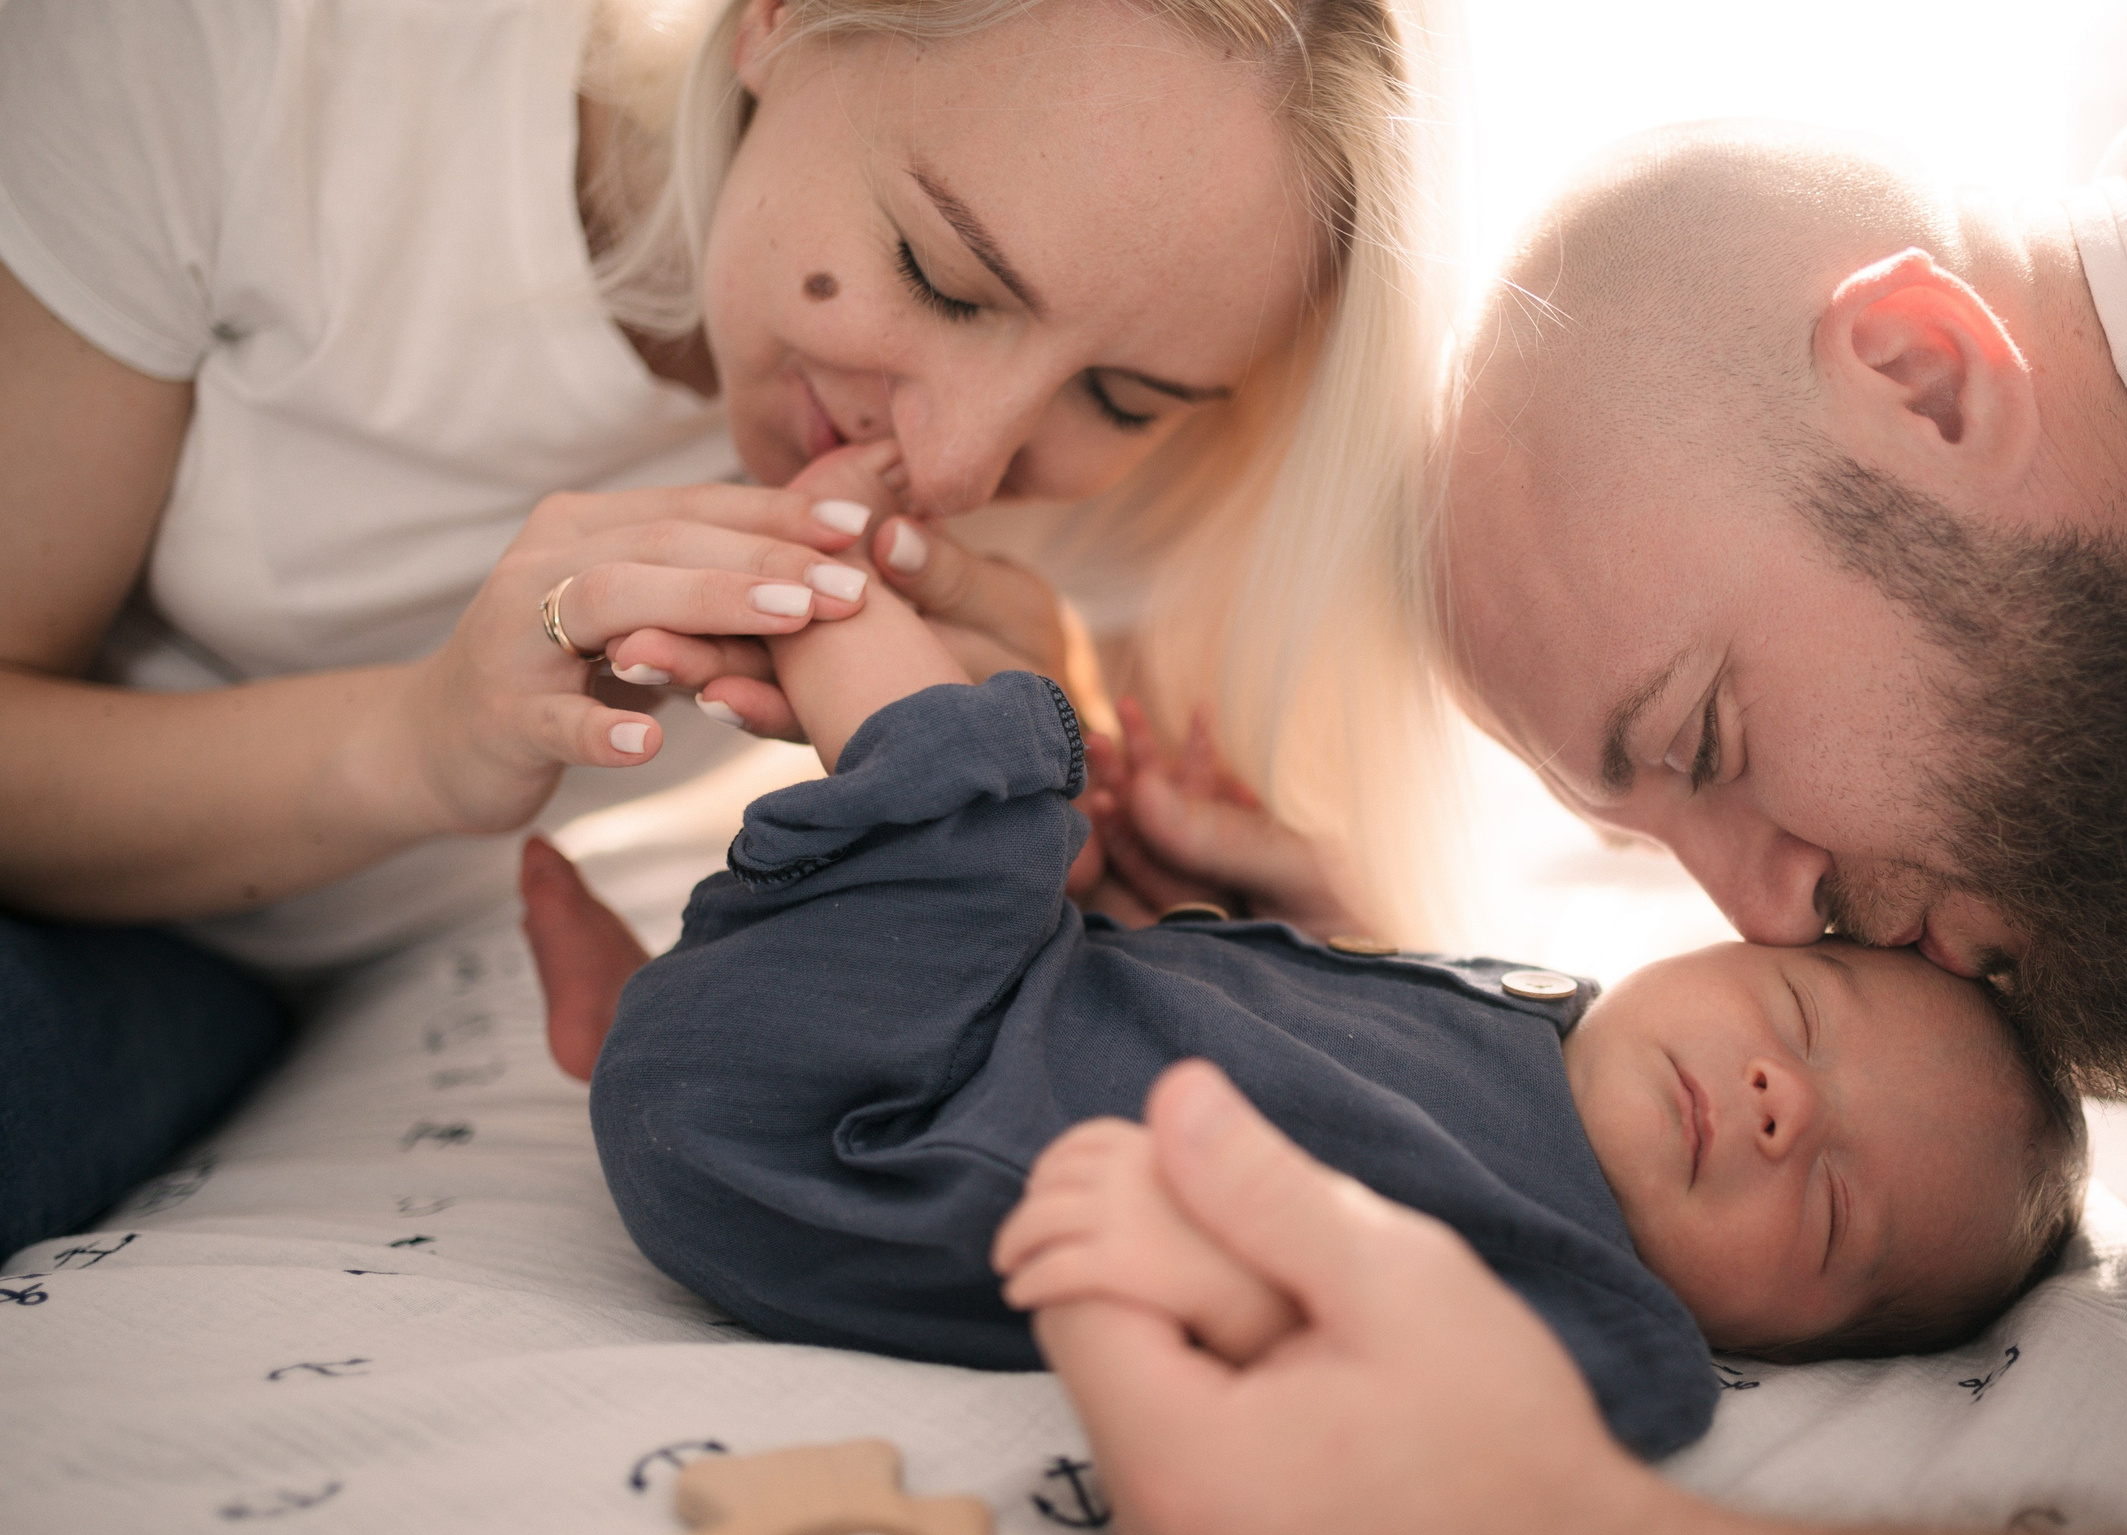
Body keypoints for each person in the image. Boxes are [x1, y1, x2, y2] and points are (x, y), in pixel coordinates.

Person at [1024, 0, 2127, 1535]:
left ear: (1924, 377)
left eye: (1706, 744)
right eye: (1651, 839)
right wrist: (1396, 1005)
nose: (1764, 912)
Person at [0, 0, 1453, 1257]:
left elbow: (1188, 1025)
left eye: (1119, 401)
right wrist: (417, 744)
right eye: (941, 276)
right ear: (776, 18)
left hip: (293, 999)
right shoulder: (245, 68)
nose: (959, 469)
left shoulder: (1159, 462)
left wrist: (1074, 842)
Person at [579, 568, 2088, 1457]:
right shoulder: (1542, 1021)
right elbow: (1314, 1021)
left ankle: (812, 578)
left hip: (867, 1121)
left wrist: (1221, 1288)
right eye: (1799, 1013)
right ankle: (630, 1017)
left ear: (1795, 1350)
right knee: (1043, 885)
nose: (1781, 1103)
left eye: (1832, 1209)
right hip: (909, 1035)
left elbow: (1464, 1405)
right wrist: (1280, 898)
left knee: (992, 774)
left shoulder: (1595, 1313)